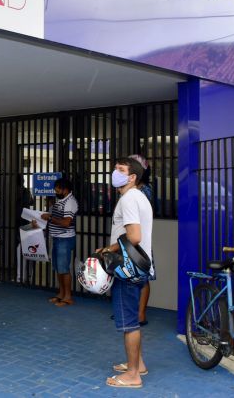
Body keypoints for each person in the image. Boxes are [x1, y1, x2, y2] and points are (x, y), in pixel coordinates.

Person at [95, 157, 154, 390]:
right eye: (115, 169)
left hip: (127, 270)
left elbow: (134, 236)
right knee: (131, 321)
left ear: (132, 177)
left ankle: (132, 375)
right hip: (140, 267)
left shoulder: (129, 199)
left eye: (121, 170)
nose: (115, 173)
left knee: (129, 323)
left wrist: (108, 249)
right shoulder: (139, 197)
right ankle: (138, 364)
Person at [39, 178, 78, 307]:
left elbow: (66, 223)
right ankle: (61, 294)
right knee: (58, 268)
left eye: (58, 189)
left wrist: (50, 217)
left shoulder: (70, 202)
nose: (56, 191)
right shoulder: (60, 201)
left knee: (64, 269)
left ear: (65, 189)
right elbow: (54, 218)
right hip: (57, 238)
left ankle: (68, 297)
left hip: (65, 239)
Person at [129, 154, 154, 326]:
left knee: (142, 278)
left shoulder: (144, 190)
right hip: (128, 240)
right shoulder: (131, 189)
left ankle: (141, 314)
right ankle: (131, 312)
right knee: (130, 277)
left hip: (140, 241)